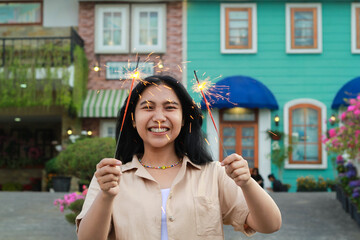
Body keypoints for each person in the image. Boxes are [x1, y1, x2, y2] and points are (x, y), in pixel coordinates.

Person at [76, 75, 282, 240]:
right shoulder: (110, 179)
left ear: (184, 119)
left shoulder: (214, 174)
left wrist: (246, 182)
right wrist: (106, 196)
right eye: (147, 107)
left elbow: (270, 225)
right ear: (132, 119)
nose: (158, 117)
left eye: (170, 107)